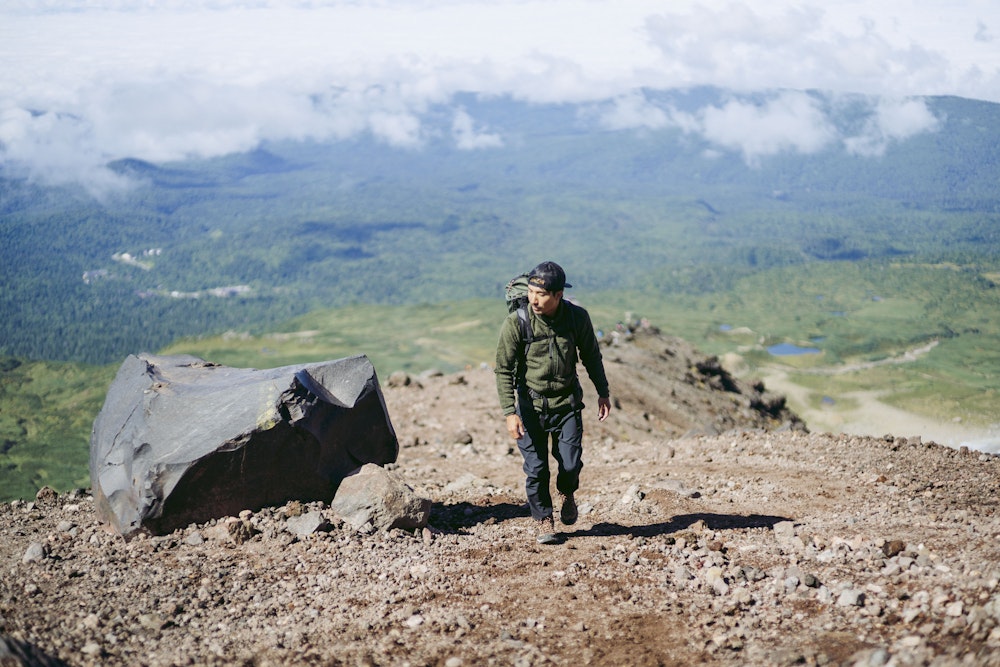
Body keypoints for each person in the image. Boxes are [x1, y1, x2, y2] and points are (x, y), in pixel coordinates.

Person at [495, 261, 611, 544]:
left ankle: (567, 492)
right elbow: (503, 369)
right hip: (530, 406)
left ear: (559, 295)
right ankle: (543, 518)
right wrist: (510, 412)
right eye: (532, 291)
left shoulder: (576, 318)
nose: (534, 298)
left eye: (542, 294)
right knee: (536, 469)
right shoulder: (517, 322)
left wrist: (603, 391)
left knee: (570, 465)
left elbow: (592, 357)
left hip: (567, 404)